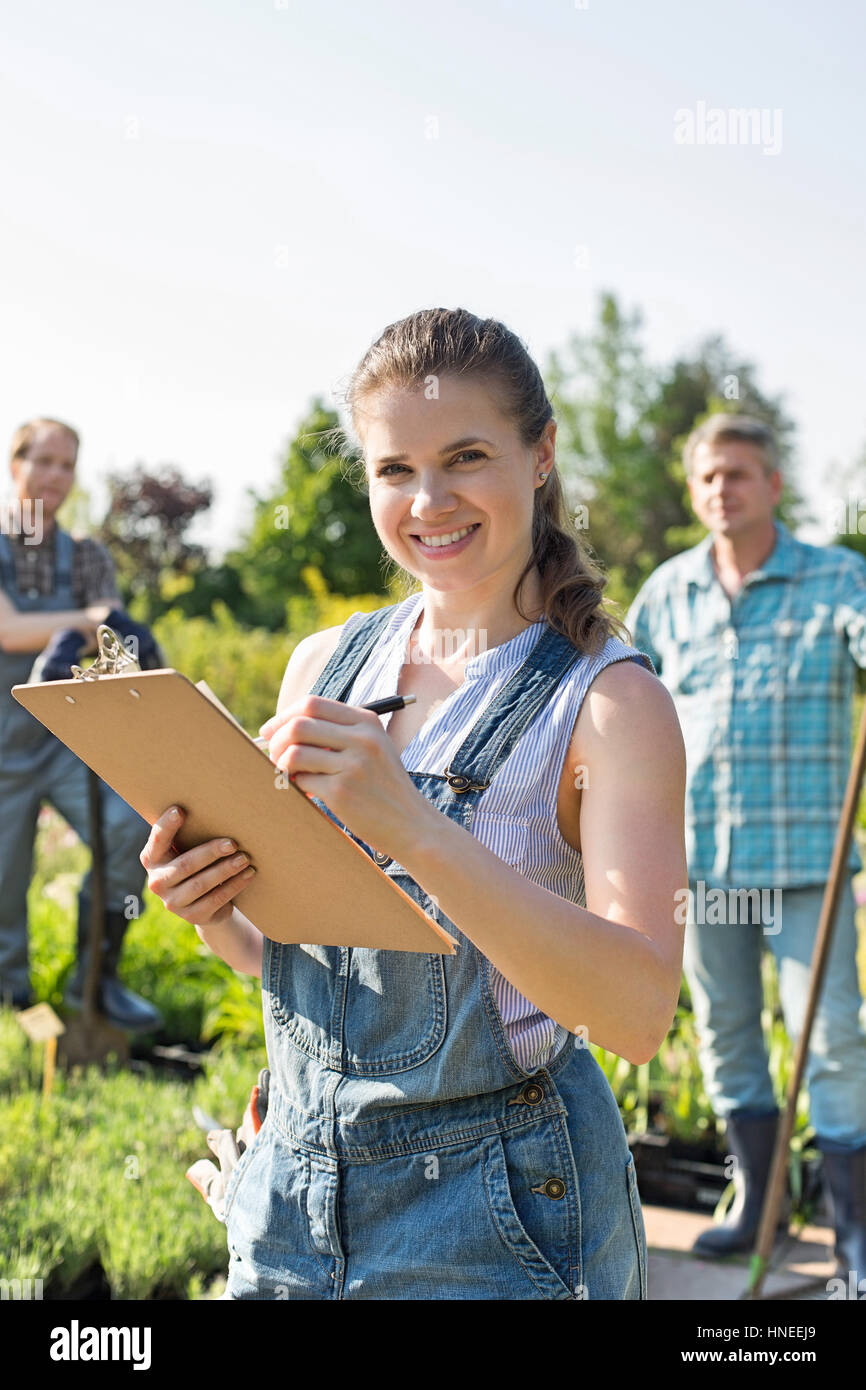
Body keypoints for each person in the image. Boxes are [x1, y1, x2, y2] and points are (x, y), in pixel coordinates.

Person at [140, 308, 687, 1300]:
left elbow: (637, 1010)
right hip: (295, 1195)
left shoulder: (608, 703)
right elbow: (301, 969)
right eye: (394, 469)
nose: (427, 500)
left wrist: (417, 829)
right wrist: (213, 902)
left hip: (495, 1214)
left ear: (540, 454)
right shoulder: (324, 666)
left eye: (465, 455)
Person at [627, 413, 866, 1285]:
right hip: (704, 867)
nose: (720, 489)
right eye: (706, 477)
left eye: (738, 474)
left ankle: (855, 1235)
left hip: (809, 865)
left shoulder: (840, 581)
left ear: (773, 486)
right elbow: (632, 707)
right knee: (728, 1034)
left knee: (831, 1036)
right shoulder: (669, 592)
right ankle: (755, 1204)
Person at [0, 417, 162, 1030]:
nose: (54, 477)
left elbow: (114, 644)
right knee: (4, 879)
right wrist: (91, 616)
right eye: (42, 461)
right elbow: (9, 629)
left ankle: (95, 981)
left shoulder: (87, 556)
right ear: (14, 465)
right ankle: (11, 1001)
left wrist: (111, 629)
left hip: (65, 741)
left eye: (67, 465)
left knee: (130, 832)